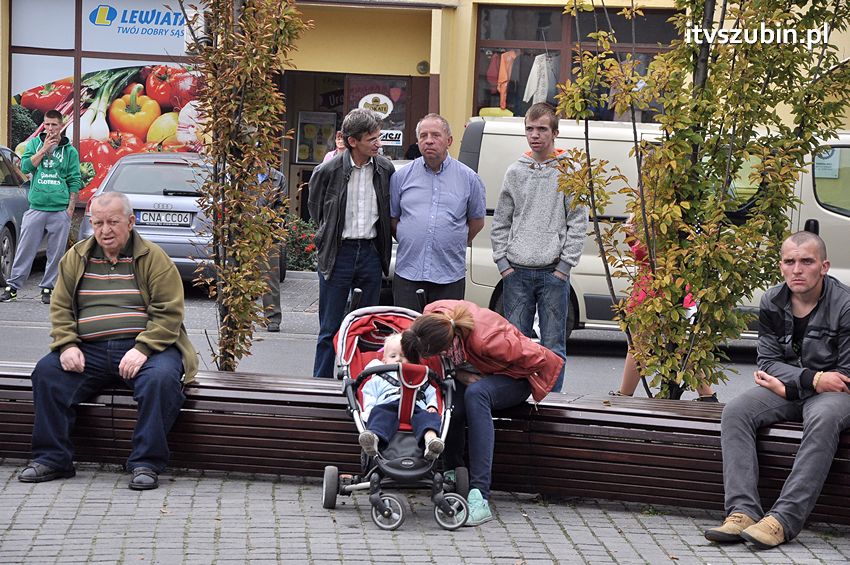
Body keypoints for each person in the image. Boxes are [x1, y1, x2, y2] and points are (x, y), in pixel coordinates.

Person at [18, 192, 198, 491]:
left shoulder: (154, 258)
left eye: (113, 222)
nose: (105, 230)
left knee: (161, 381)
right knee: (47, 373)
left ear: (130, 221)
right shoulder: (76, 257)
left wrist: (143, 348)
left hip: (147, 347)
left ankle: (146, 463)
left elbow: (169, 313)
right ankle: (52, 459)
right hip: (89, 348)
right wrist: (66, 344)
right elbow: (60, 307)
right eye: (98, 223)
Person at [705, 231, 850, 549]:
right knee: (736, 411)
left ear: (824, 266)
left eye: (807, 261)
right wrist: (809, 381)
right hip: (799, 386)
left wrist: (795, 387)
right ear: (781, 267)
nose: (797, 269)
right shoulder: (772, 300)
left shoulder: (845, 304)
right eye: (790, 261)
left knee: (824, 419)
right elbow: (767, 362)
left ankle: (783, 519)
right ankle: (742, 512)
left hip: (837, 396)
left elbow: (844, 378)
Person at [401, 299, 563, 526]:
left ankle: (480, 496)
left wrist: (491, 372)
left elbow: (539, 359)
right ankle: (453, 473)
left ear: (446, 347)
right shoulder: (431, 318)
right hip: (470, 375)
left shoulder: (487, 340)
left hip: (514, 381)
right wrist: (459, 374)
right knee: (451, 400)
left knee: (477, 394)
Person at [491, 103, 587, 393]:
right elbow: (501, 220)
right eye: (530, 129)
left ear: (555, 133)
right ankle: (516, 398)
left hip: (552, 272)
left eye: (542, 129)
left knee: (553, 343)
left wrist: (564, 266)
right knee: (515, 344)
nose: (535, 135)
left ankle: (552, 402)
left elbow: (578, 221)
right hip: (516, 271)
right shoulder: (515, 172)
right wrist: (503, 264)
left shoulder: (569, 172)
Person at [307, 109, 394, 379]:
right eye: (372, 139)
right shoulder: (328, 170)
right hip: (338, 253)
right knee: (329, 327)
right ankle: (320, 386)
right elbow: (315, 209)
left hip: (370, 252)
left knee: (366, 325)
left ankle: (360, 381)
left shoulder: (384, 168)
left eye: (378, 137)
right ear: (352, 141)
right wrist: (328, 237)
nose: (378, 144)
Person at [612, 215, 718, 401]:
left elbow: (645, 256)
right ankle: (707, 395)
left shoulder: (654, 210)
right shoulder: (687, 210)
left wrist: (632, 234)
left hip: (654, 289)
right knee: (682, 345)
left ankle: (624, 394)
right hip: (679, 287)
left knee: (640, 344)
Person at [390, 113, 486, 311]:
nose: (429, 141)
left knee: (444, 338)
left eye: (435, 135)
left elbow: (477, 222)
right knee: (409, 336)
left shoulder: (469, 178)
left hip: (449, 276)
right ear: (417, 142)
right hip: (408, 273)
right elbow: (393, 219)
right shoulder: (401, 177)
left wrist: (452, 239)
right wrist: (412, 237)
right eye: (423, 136)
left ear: (449, 140)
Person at [1, 109, 81, 304]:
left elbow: (74, 180)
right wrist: (44, 149)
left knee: (55, 253)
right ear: (43, 125)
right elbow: (25, 167)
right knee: (25, 249)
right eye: (47, 124)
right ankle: (13, 287)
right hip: (36, 207)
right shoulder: (35, 144)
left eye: (54, 125)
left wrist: (70, 209)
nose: (50, 129)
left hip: (60, 209)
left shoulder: (70, 151)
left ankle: (47, 288)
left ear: (61, 126)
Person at [357, 333, 444, 460]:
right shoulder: (379, 376)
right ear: (384, 360)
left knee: (429, 417)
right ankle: (374, 439)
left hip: (416, 406)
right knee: (379, 414)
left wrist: (432, 406)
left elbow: (431, 392)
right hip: (387, 405)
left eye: (404, 356)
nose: (398, 359)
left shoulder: (419, 376)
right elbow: (369, 394)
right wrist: (369, 409)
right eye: (393, 356)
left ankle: (430, 440)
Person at [258, 167, 287, 332]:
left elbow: (281, 208)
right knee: (241, 275)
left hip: (269, 233)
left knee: (270, 276)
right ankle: (241, 317)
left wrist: (264, 219)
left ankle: (272, 318)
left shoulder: (278, 177)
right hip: (244, 231)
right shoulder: (242, 176)